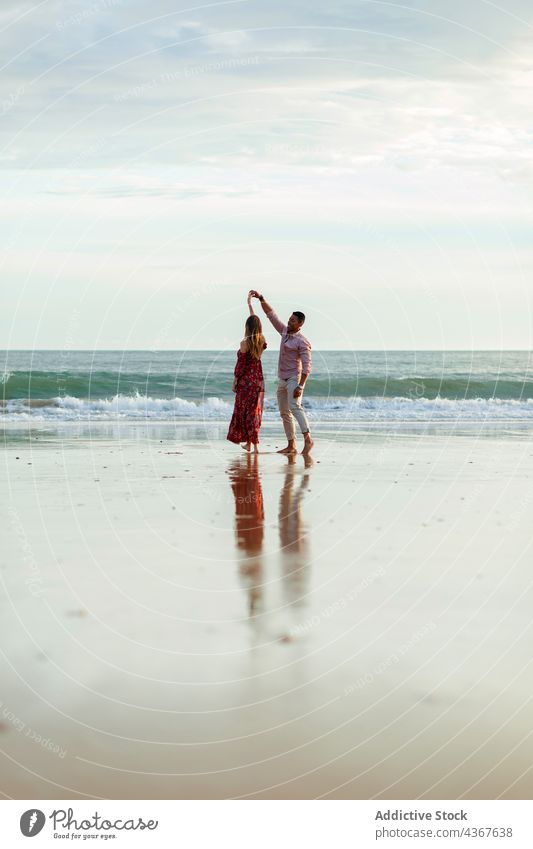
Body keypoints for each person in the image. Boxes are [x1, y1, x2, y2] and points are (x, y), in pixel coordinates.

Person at [249, 290, 314, 455]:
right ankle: (291, 445)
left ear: (300, 324)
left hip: (294, 378)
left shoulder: (302, 341)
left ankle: (308, 439)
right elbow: (271, 315)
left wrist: (301, 385)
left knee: (295, 406)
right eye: (290, 319)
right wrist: (262, 299)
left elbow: (307, 366)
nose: (289, 321)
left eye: (293, 321)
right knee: (284, 412)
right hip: (282, 378)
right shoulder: (284, 332)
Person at [227, 293, 267, 452]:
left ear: (247, 327)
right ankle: (253, 445)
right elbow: (255, 322)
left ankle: (252, 445)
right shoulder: (261, 341)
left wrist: (235, 381)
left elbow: (241, 366)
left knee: (244, 412)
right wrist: (249, 304)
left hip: (246, 383)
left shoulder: (244, 343)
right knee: (254, 413)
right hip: (258, 382)